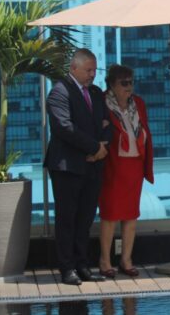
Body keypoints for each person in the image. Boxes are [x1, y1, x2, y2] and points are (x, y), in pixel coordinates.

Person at [45, 48, 110, 285]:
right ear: (74, 68)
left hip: (93, 167)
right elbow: (65, 128)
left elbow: (106, 123)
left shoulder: (94, 93)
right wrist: (94, 148)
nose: (93, 74)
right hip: (67, 167)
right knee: (67, 218)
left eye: (94, 70)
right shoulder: (59, 92)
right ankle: (67, 267)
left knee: (85, 218)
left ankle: (82, 264)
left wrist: (102, 146)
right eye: (88, 70)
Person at [98, 65, 153, 279]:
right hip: (112, 165)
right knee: (110, 215)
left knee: (131, 215)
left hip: (134, 166)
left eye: (131, 82)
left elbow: (145, 130)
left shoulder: (138, 103)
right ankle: (105, 261)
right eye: (124, 83)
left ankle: (126, 260)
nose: (129, 87)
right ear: (112, 84)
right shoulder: (102, 103)